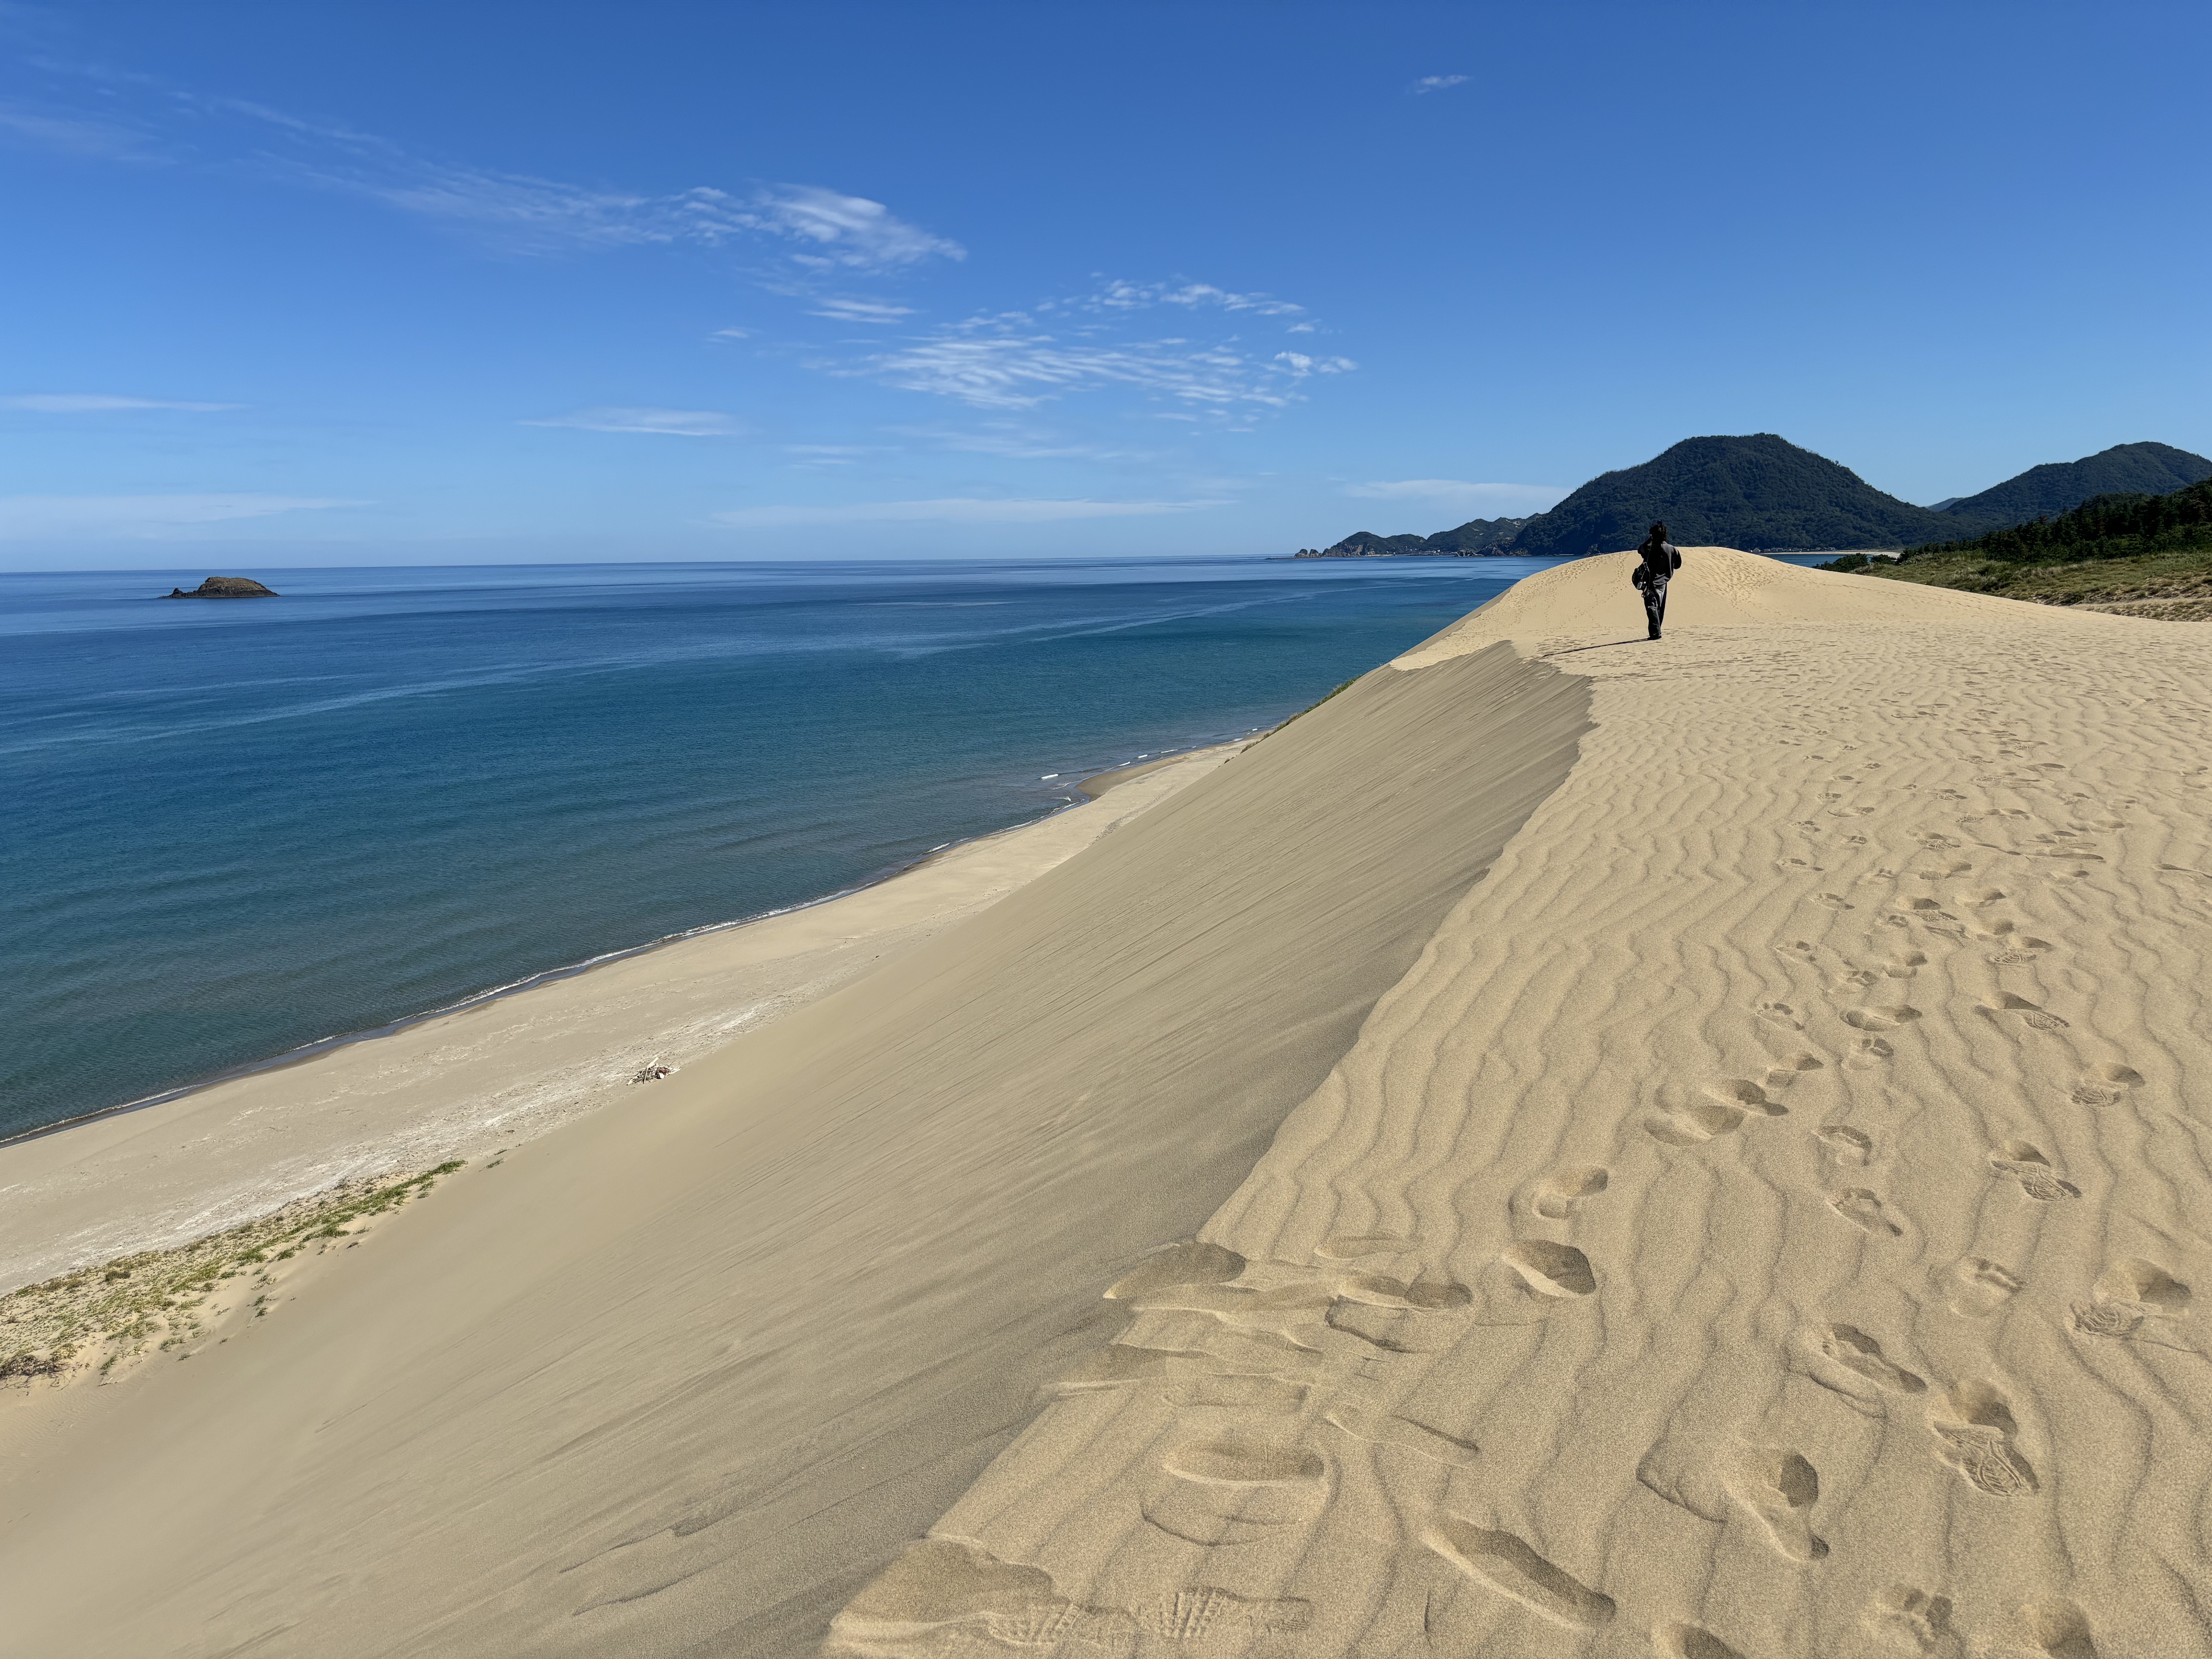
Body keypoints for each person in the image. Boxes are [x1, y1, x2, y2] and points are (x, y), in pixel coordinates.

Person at [1632, 522, 1681, 640]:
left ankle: (1656, 634)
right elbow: (1678, 565)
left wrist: (1650, 539)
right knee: (1659, 608)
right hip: (1664, 583)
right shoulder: (1672, 549)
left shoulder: (1649, 549)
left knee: (1652, 607)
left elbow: (1640, 550)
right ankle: (1657, 632)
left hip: (1650, 583)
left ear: (1653, 535)